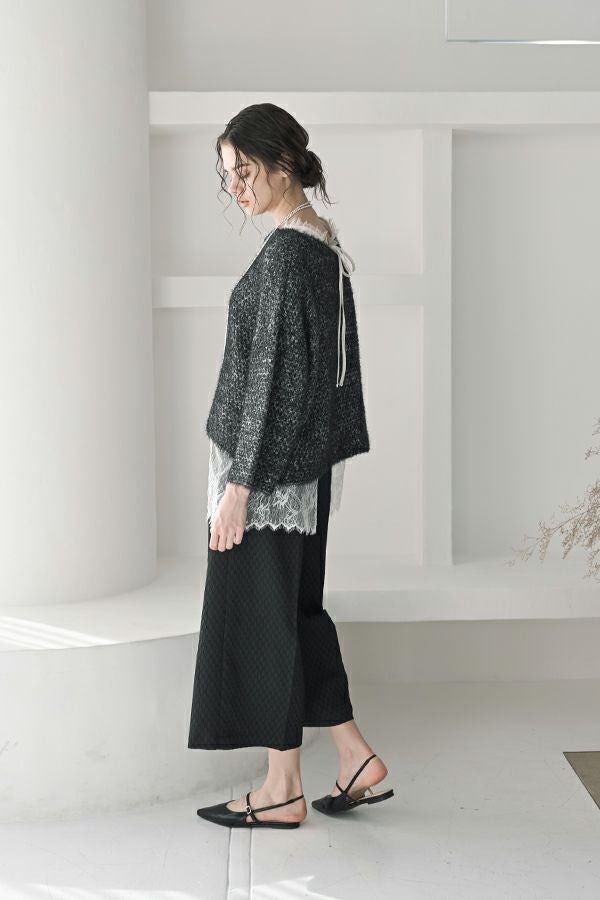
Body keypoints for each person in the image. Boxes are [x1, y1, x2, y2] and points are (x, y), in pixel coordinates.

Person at [188, 103, 394, 828]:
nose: (236, 187)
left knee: (268, 622)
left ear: (282, 164)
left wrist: (239, 487)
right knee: (296, 613)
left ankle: (282, 790)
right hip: (300, 472)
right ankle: (354, 756)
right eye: (228, 175)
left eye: (245, 170)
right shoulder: (322, 247)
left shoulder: (284, 257)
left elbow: (272, 379)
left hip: (267, 476)